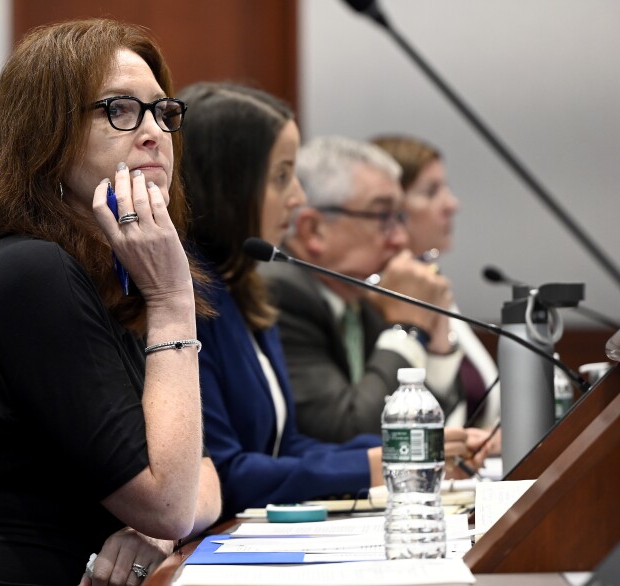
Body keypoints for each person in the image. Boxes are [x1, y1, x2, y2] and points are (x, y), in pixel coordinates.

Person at [0, 19, 221, 586]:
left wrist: (159, 525)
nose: (153, 133)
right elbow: (171, 499)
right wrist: (172, 301)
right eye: (120, 109)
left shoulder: (102, 280)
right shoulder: (30, 273)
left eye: (162, 112)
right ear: (44, 136)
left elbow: (203, 477)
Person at [178, 82, 481, 523]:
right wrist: (373, 463)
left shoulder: (245, 291)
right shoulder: (188, 301)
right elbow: (222, 472)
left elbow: (288, 443)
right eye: (281, 176)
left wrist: (406, 450)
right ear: (229, 185)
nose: (298, 197)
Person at [260, 135, 466, 444]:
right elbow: (347, 433)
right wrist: (406, 327)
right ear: (313, 230)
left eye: (400, 218)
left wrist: (436, 342)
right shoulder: (283, 294)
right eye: (383, 216)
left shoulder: (366, 300)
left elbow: (430, 435)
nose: (399, 239)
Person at [370, 134, 500, 430]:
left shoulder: (432, 281)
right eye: (431, 192)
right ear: (391, 210)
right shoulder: (375, 294)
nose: (452, 204)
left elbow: (475, 406)